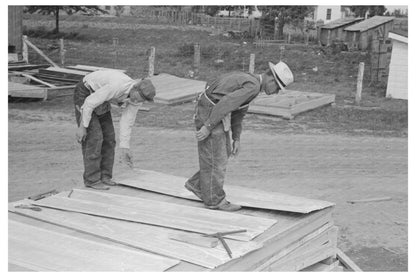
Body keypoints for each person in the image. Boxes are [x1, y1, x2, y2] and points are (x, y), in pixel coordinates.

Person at [185, 61, 294, 211]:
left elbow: (238, 111)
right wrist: (208, 126)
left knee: (224, 152)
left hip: (213, 111)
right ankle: (214, 200)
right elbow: (227, 102)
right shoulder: (253, 86)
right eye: (277, 88)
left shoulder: (252, 82)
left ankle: (198, 185)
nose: (276, 92)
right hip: (211, 111)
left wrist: (236, 138)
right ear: (271, 79)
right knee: (216, 158)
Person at [74, 70, 156, 190]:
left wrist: (125, 147)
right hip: (86, 92)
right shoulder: (117, 86)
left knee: (109, 138)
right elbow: (90, 103)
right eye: (139, 98)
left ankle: (105, 176)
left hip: (102, 97)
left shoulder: (136, 100)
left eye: (143, 100)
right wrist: (83, 127)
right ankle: (92, 179)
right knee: (95, 137)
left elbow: (127, 121)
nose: (139, 102)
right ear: (135, 88)